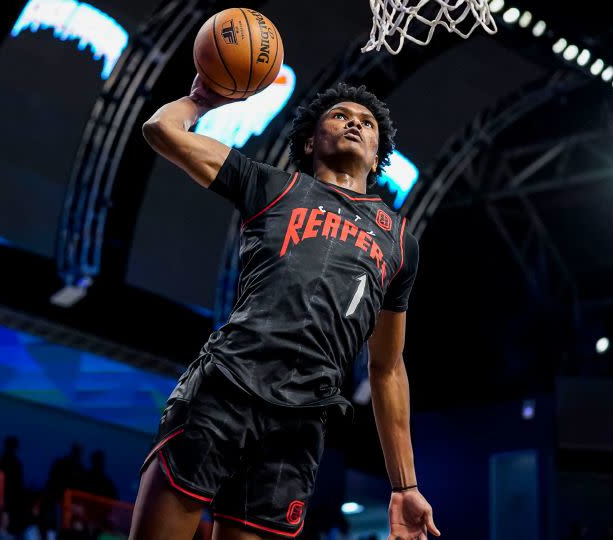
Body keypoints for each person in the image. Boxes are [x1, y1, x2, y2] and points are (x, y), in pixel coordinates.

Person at [134, 77, 438, 540]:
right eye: (340, 116)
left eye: (367, 122)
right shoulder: (270, 184)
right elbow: (161, 131)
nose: (354, 123)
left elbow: (387, 368)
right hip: (225, 388)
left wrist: (405, 485)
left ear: (378, 156)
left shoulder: (399, 242)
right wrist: (201, 99)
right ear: (311, 140)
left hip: (298, 426)